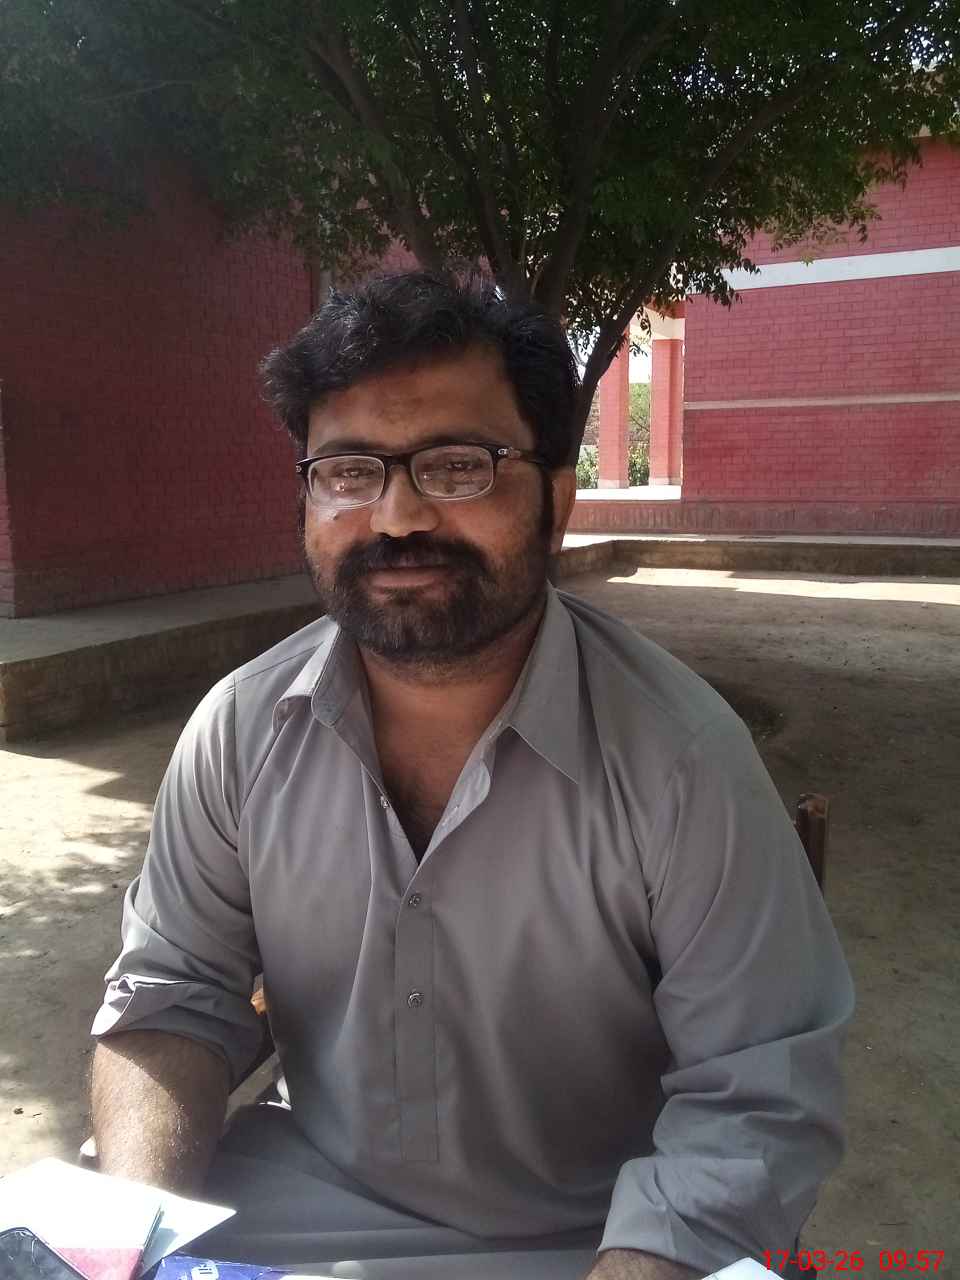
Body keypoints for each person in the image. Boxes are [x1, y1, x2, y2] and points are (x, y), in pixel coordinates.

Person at [90, 272, 854, 1280]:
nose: (397, 516)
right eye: (349, 471)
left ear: (556, 503)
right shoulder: (239, 732)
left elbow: (758, 1101)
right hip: (298, 1211)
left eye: (457, 466)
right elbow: (172, 1001)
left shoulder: (683, 763)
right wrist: (126, 1238)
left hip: (600, 1237)